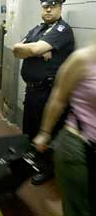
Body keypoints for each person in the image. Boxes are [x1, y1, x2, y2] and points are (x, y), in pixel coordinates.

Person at [12, 0, 74, 185]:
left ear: (60, 8)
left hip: (48, 92)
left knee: (46, 131)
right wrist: (34, 50)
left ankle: (48, 169)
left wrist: (34, 49)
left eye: (53, 6)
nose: (48, 9)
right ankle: (34, 162)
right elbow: (16, 50)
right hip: (32, 90)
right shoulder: (36, 29)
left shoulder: (62, 30)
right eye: (45, 6)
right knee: (30, 129)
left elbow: (34, 48)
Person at [33, 43, 96, 216]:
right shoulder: (82, 59)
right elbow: (58, 98)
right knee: (79, 208)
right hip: (77, 144)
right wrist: (45, 133)